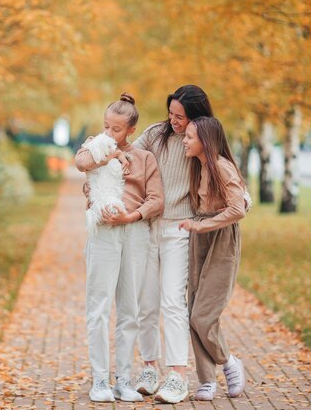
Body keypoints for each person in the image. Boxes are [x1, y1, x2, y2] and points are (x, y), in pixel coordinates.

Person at [75, 92, 164, 403]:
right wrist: (111, 153)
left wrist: (131, 215)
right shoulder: (97, 147)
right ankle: (99, 380)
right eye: (106, 126)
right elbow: (80, 162)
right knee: (98, 309)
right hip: (102, 234)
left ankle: (123, 381)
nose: (109, 133)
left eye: (116, 129)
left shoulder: (145, 159)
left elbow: (156, 200)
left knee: (130, 311)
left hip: (135, 234)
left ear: (131, 131)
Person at [133, 85, 214, 404]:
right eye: (171, 114)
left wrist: (241, 201)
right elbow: (128, 153)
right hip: (147, 225)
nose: (174, 121)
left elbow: (225, 174)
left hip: (180, 228)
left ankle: (178, 376)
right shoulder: (156, 134)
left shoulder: (202, 141)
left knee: (171, 301)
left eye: (180, 117)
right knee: (147, 302)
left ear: (197, 117)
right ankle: (149, 367)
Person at [178, 116, 247, 400]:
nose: (184, 140)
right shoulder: (199, 166)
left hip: (221, 240)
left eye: (189, 137)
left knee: (203, 315)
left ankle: (229, 362)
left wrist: (201, 225)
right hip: (200, 239)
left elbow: (238, 209)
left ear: (205, 141)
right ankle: (207, 380)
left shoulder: (222, 167)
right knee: (193, 309)